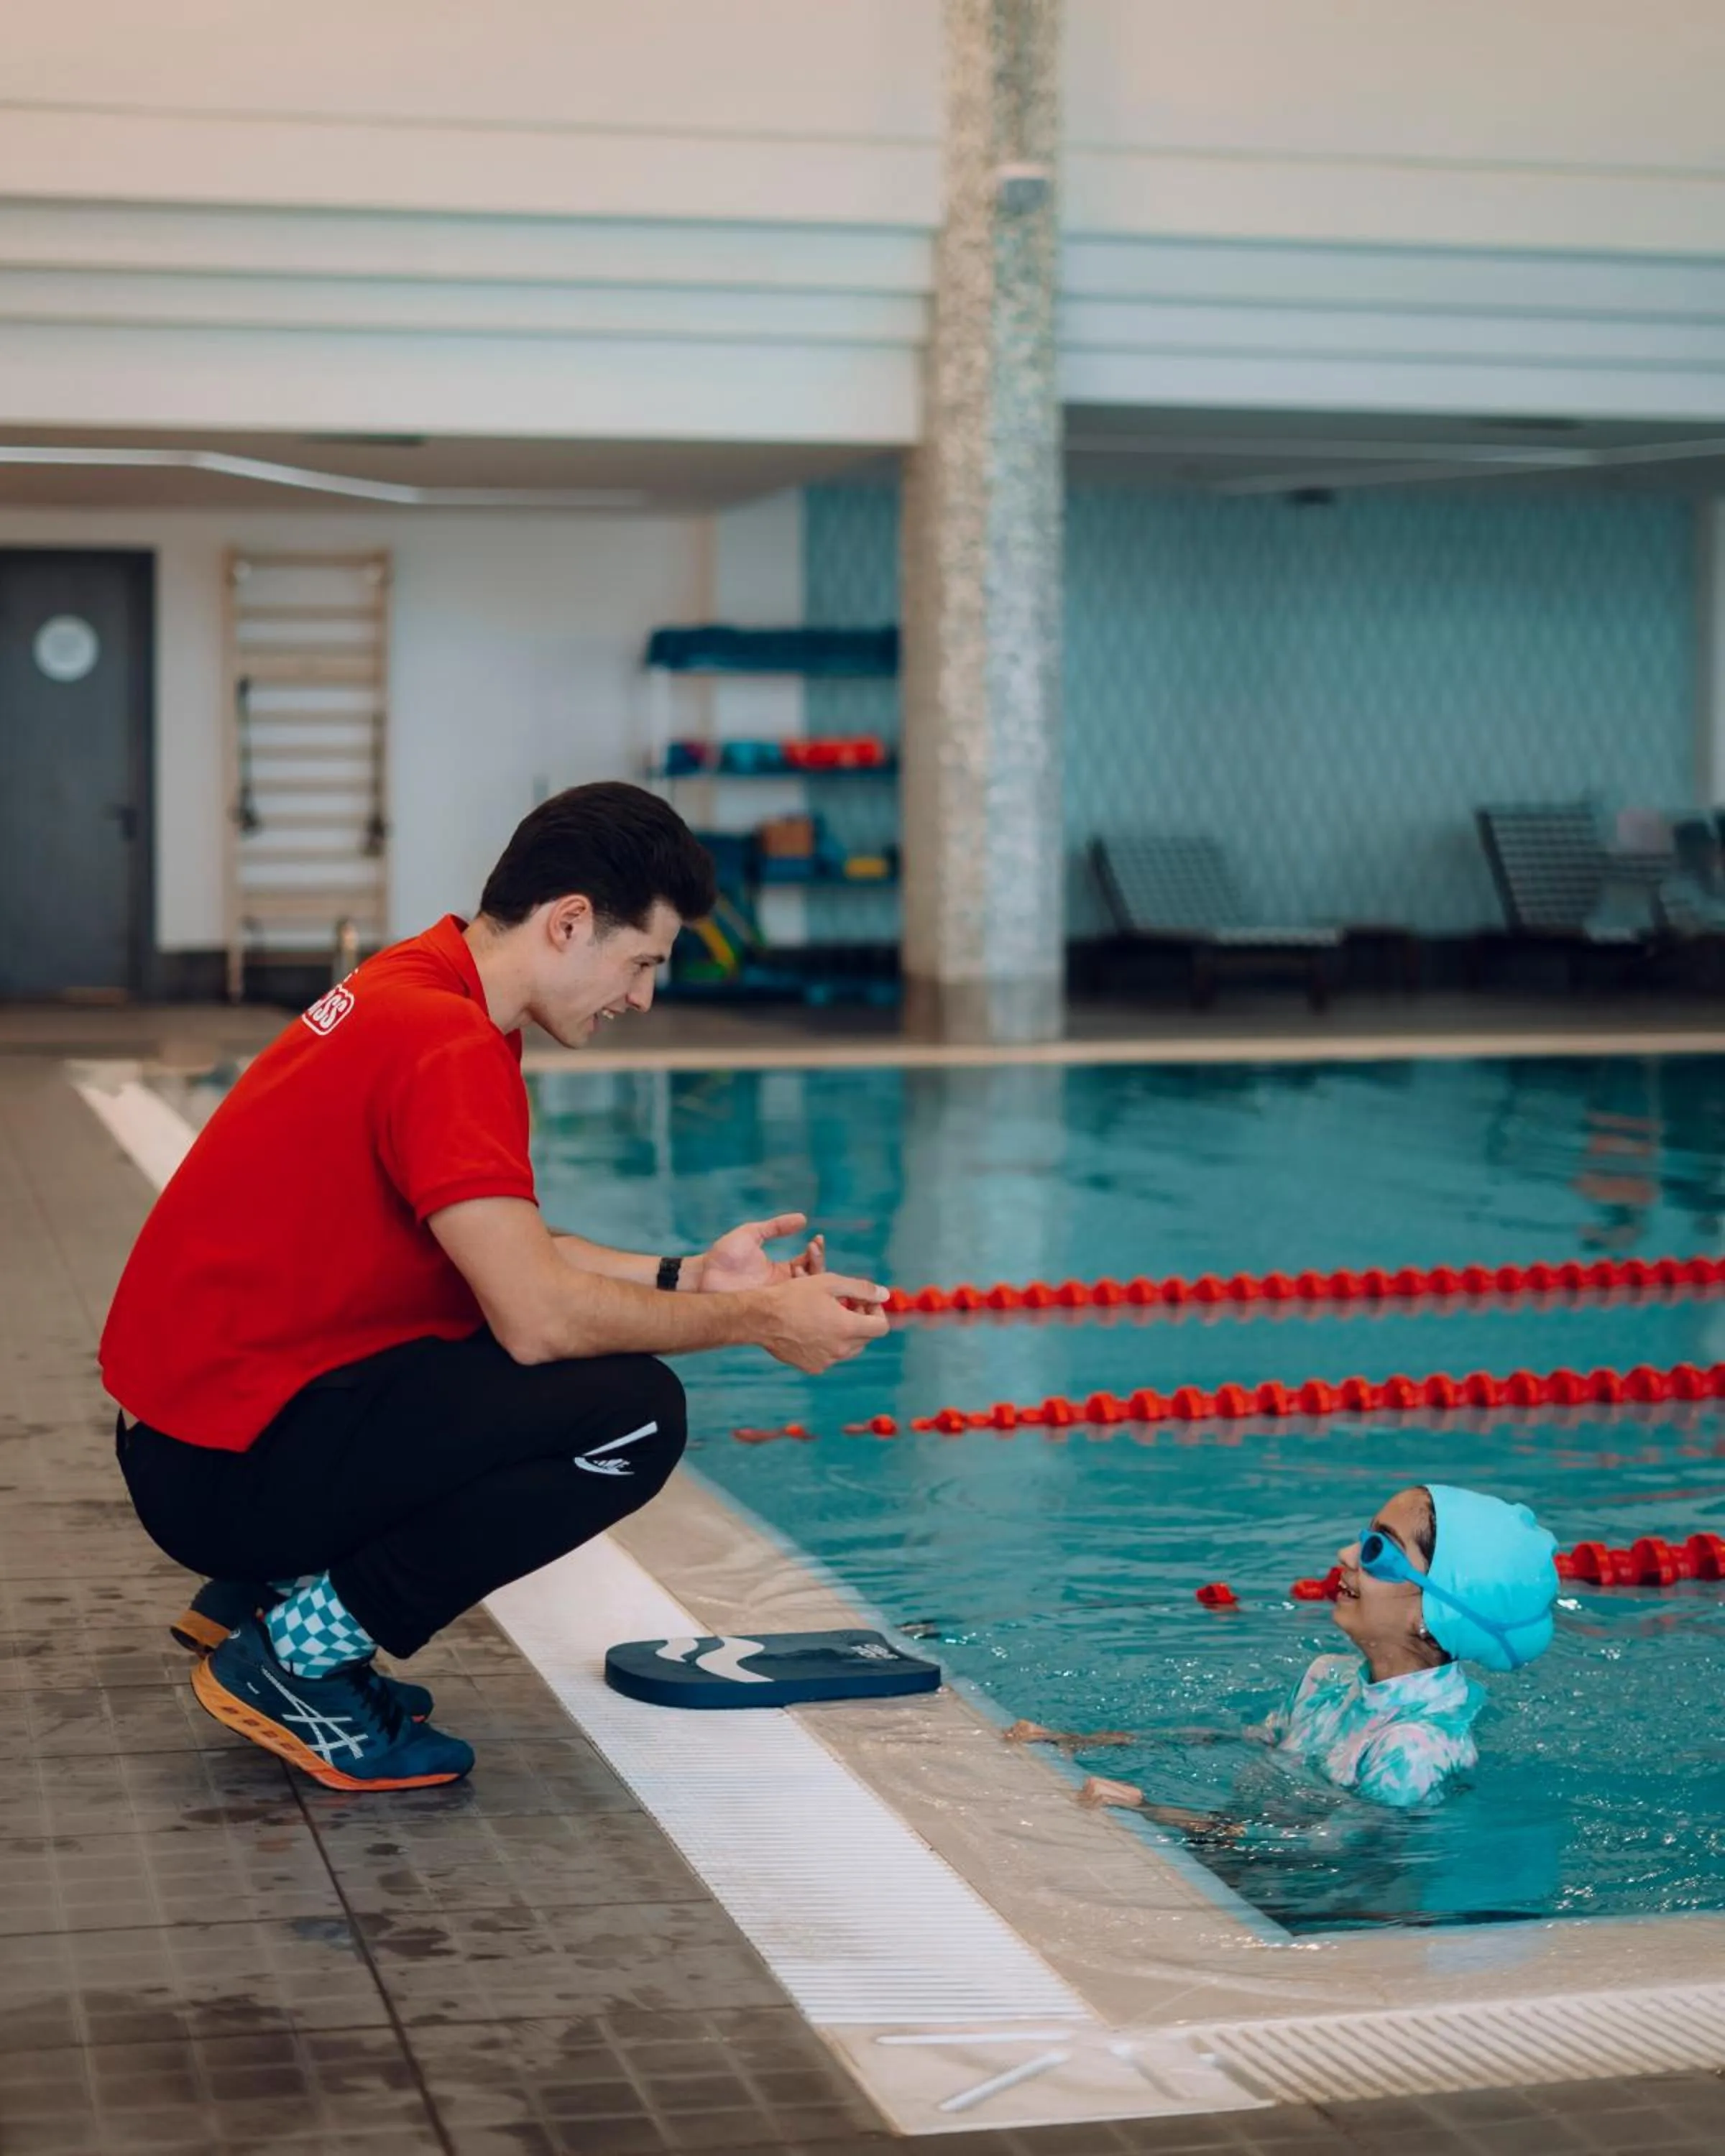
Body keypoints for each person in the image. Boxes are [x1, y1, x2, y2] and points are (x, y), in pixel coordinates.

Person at [102, 782, 889, 1792]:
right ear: (570, 921)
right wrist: (757, 1318)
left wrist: (692, 1275)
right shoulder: (448, 1043)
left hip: (195, 1430)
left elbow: (502, 1245)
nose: (642, 998)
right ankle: (296, 1656)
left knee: (512, 1349)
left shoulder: (419, 984)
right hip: (219, 1470)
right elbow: (539, 1318)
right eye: (642, 962)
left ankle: (263, 1592)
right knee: (633, 1416)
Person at [1010, 1483, 1558, 1817]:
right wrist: (1098, 1741)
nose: (1346, 1554)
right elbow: (1244, 1740)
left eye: (1377, 1550)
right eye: (1362, 1537)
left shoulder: (1412, 1748)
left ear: (1433, 1614)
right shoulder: (1328, 1678)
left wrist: (1153, 1811)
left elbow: (1347, 1865)